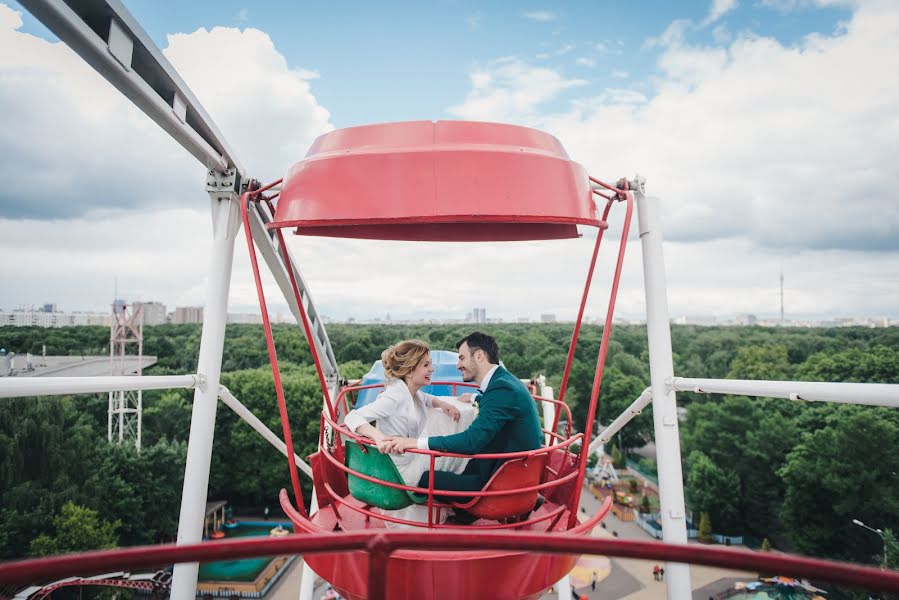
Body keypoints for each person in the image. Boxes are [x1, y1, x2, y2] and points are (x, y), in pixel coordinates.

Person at [384, 332, 543, 513]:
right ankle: (464, 513)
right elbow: (500, 405)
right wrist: (476, 397)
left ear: (479, 356)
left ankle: (471, 509)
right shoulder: (506, 381)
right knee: (461, 476)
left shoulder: (501, 388)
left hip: (501, 481)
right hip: (512, 467)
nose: (458, 365)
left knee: (426, 479)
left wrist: (416, 443)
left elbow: (470, 442)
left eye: (462, 358)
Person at [343, 339, 476, 524]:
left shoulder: (411, 390)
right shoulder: (394, 396)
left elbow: (426, 398)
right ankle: (468, 499)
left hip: (411, 456)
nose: (432, 369)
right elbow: (352, 417)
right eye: (426, 365)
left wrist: (442, 404)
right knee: (450, 457)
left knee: (448, 454)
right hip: (400, 467)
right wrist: (379, 437)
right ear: (410, 370)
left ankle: (461, 497)